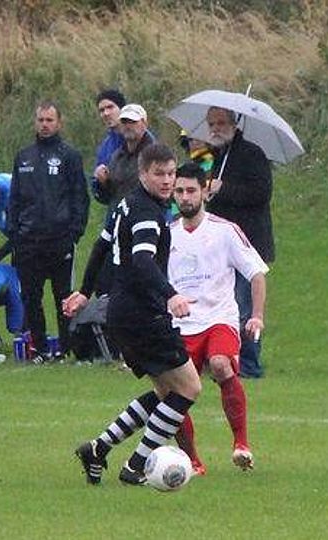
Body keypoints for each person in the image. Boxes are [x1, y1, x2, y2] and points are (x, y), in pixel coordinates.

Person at [63, 143, 201, 486]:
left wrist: (84, 289)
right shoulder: (147, 213)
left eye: (171, 173)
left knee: (165, 393)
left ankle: (98, 448)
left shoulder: (126, 203)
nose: (168, 181)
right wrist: (170, 295)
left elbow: (101, 245)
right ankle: (137, 465)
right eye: (160, 174)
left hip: (121, 312)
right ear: (143, 174)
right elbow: (141, 259)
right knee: (189, 388)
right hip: (143, 314)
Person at [168, 162, 267, 475]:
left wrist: (257, 316)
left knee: (222, 364)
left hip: (218, 319)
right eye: (179, 191)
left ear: (205, 192)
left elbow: (256, 273)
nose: (185, 197)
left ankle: (241, 444)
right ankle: (193, 462)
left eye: (191, 190)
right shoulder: (165, 234)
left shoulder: (225, 231)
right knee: (177, 393)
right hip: (180, 325)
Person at [8, 100, 89, 362]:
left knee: (63, 297)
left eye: (50, 120)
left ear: (59, 123)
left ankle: (66, 349)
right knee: (31, 297)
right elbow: (15, 198)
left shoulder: (69, 156)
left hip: (60, 239)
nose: (45, 125)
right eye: (41, 120)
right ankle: (40, 349)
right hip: (29, 240)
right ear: (35, 122)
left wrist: (75, 231)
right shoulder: (23, 157)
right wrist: (15, 233)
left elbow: (80, 196)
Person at [205, 106, 274, 378]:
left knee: (245, 305)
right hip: (222, 243)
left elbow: (261, 193)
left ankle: (250, 364)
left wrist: (225, 190)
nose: (216, 128)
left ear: (234, 125)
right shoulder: (217, 156)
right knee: (227, 305)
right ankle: (229, 359)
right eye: (212, 123)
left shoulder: (252, 154)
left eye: (221, 123)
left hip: (249, 241)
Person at [96, 104, 155, 210]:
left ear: (144, 124)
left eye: (133, 122)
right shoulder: (116, 157)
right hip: (120, 218)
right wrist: (102, 182)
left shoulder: (155, 155)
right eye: (124, 122)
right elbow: (107, 198)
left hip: (147, 217)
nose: (128, 126)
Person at [91, 89, 127, 201]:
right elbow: (102, 197)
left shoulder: (141, 137)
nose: (106, 113)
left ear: (122, 109)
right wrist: (101, 182)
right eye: (102, 110)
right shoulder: (104, 147)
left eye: (110, 107)